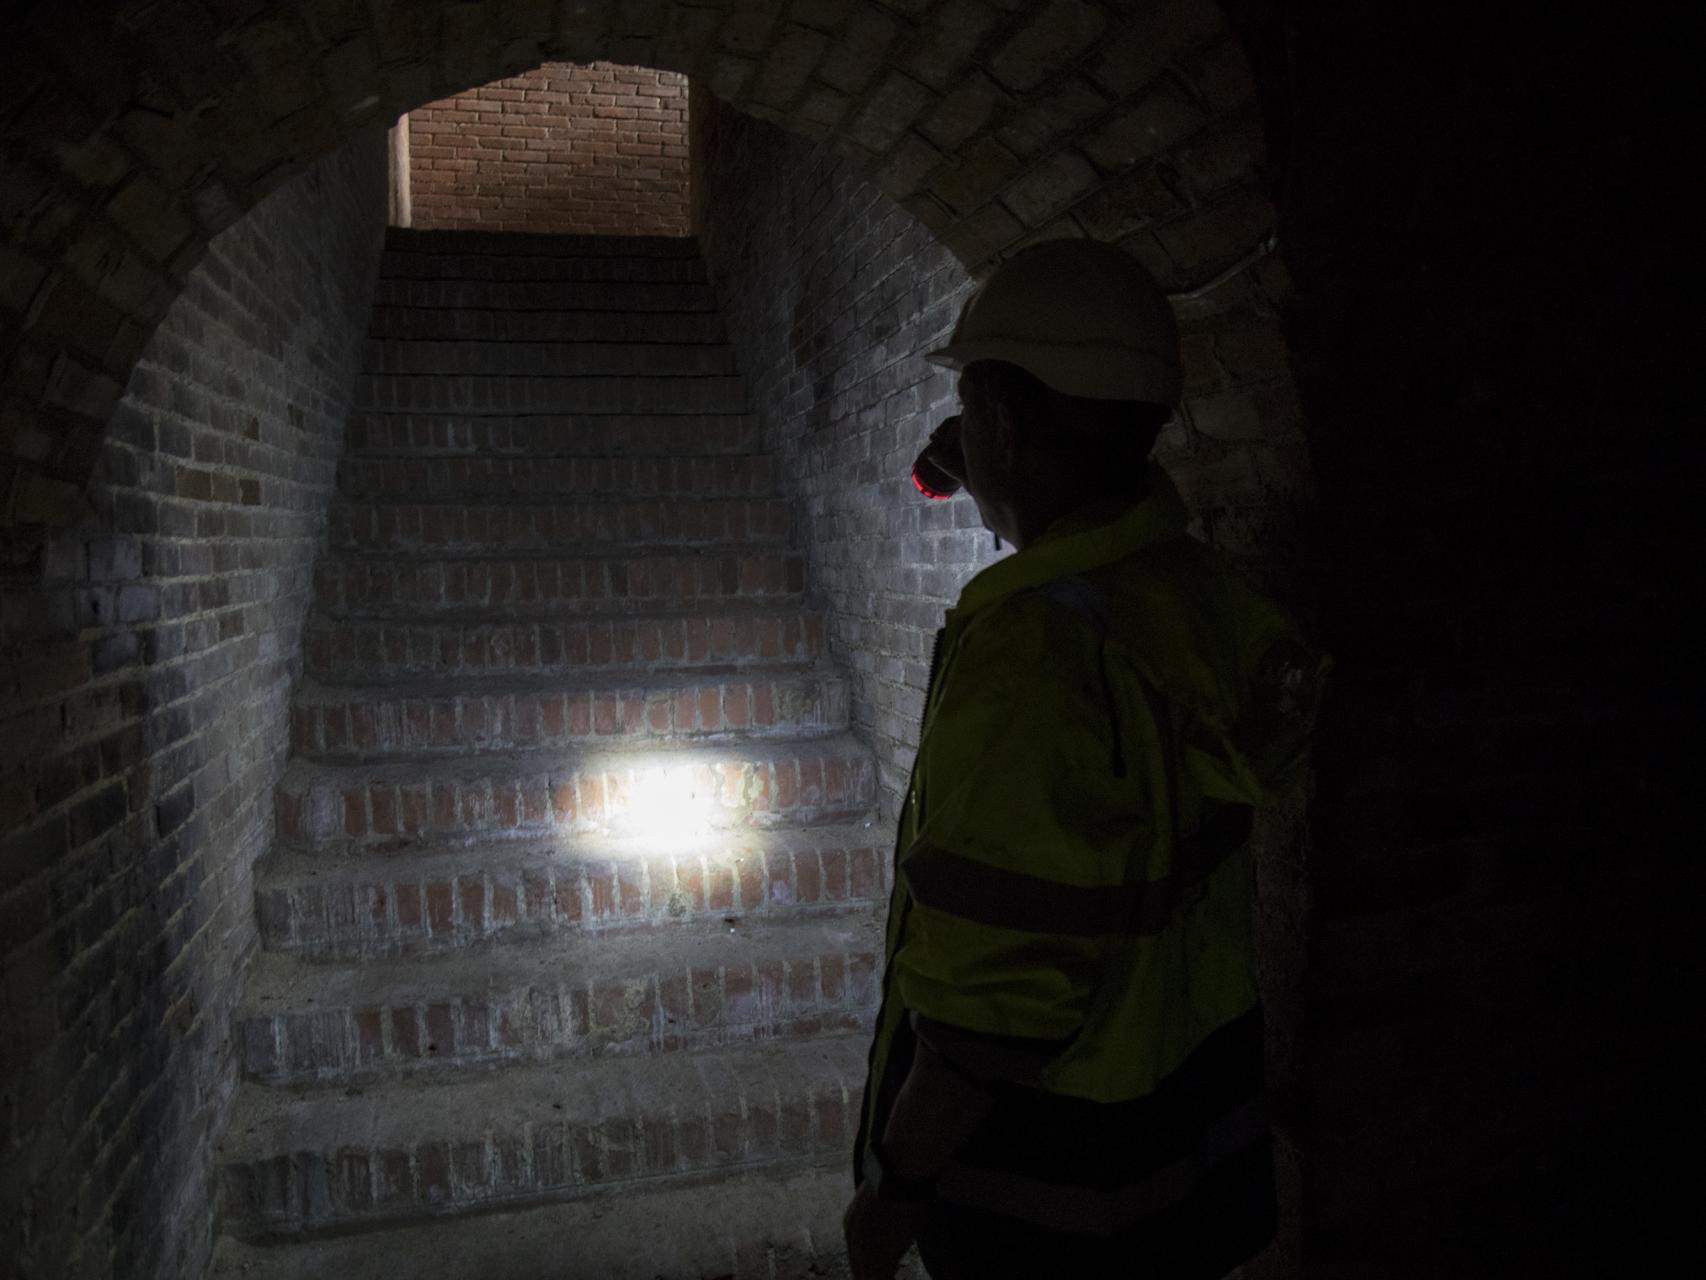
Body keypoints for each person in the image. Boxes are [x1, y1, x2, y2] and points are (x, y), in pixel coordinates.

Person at [843, 239, 1328, 1280]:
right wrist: (995, 468)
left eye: (975, 412)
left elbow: (987, 1007)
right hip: (1174, 1156)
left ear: (1007, 428)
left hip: (1041, 1193)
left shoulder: (1032, 658)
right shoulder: (1187, 592)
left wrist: (893, 1189)